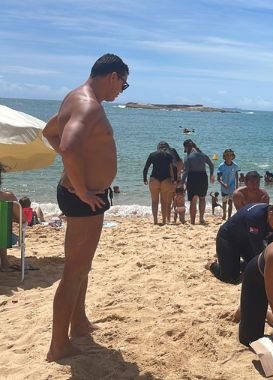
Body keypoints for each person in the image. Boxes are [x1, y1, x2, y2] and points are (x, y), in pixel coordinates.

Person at [41, 53, 128, 361]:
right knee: (75, 269)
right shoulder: (89, 106)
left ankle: (78, 323)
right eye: (124, 84)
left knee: (82, 266)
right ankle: (58, 345)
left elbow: (50, 132)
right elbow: (66, 146)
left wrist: (83, 183)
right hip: (83, 198)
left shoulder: (74, 98)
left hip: (84, 194)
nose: (121, 91)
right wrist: (83, 190)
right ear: (113, 76)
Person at [206, 200, 273, 284]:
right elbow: (258, 249)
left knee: (257, 268)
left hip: (246, 241)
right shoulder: (255, 217)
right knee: (231, 278)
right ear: (270, 214)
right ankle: (212, 264)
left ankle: (235, 263)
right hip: (228, 238)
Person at [143, 141, 176, 225]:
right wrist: (174, 179)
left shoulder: (152, 154)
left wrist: (144, 178)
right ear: (167, 147)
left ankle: (155, 221)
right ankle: (164, 220)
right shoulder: (169, 155)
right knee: (164, 202)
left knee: (154, 201)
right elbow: (174, 167)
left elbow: (146, 168)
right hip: (166, 180)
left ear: (158, 147)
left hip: (154, 179)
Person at [182, 139, 214, 224]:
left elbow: (186, 171)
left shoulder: (188, 157)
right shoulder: (202, 155)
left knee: (193, 200)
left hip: (192, 177)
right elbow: (211, 165)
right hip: (203, 177)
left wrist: (181, 182)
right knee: (202, 198)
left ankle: (192, 221)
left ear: (186, 147)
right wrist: (211, 175)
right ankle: (201, 219)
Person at [216, 149, 239, 220]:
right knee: (224, 202)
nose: (229, 156)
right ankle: (224, 214)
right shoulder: (221, 166)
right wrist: (223, 184)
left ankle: (229, 216)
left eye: (230, 155)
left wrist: (237, 185)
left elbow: (236, 175)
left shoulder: (235, 166)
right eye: (227, 155)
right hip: (224, 188)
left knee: (230, 202)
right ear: (224, 156)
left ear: (233, 156)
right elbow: (218, 178)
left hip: (232, 187)